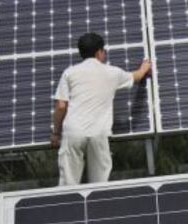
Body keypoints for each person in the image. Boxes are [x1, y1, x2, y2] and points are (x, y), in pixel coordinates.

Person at [50, 33, 152, 186]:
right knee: (99, 186)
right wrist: (145, 67)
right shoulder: (112, 73)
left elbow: (61, 106)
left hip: (73, 132)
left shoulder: (69, 73)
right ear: (99, 52)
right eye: (104, 51)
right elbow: (136, 76)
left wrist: (56, 134)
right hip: (99, 133)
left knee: (68, 186)